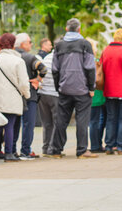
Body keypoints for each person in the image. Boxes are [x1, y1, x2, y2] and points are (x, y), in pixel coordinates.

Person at [47, 18, 97, 159]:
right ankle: (82, 151)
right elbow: (90, 67)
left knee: (61, 119)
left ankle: (56, 150)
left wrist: (58, 87)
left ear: (66, 29)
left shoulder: (59, 45)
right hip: (82, 89)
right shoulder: (85, 44)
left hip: (64, 88)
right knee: (82, 119)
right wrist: (91, 87)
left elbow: (54, 69)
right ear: (79, 29)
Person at [0, 33, 30, 162]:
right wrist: (27, 94)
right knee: (9, 124)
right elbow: (23, 82)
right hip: (12, 98)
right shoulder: (18, 61)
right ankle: (9, 153)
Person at [14, 33, 47, 159]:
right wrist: (37, 79)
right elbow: (44, 69)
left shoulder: (12, 57)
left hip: (15, 94)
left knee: (15, 124)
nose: (31, 44)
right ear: (23, 44)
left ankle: (11, 149)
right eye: (29, 42)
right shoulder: (29, 57)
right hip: (30, 94)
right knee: (28, 124)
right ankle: (25, 150)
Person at [38, 42, 59, 155]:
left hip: (42, 94)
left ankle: (45, 148)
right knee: (56, 122)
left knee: (46, 123)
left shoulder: (47, 57)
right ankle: (52, 148)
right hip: (54, 93)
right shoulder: (59, 58)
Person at [87, 39, 106, 154]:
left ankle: (97, 144)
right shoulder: (96, 61)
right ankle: (95, 145)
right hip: (97, 94)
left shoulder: (83, 61)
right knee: (95, 121)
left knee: (94, 121)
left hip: (89, 94)